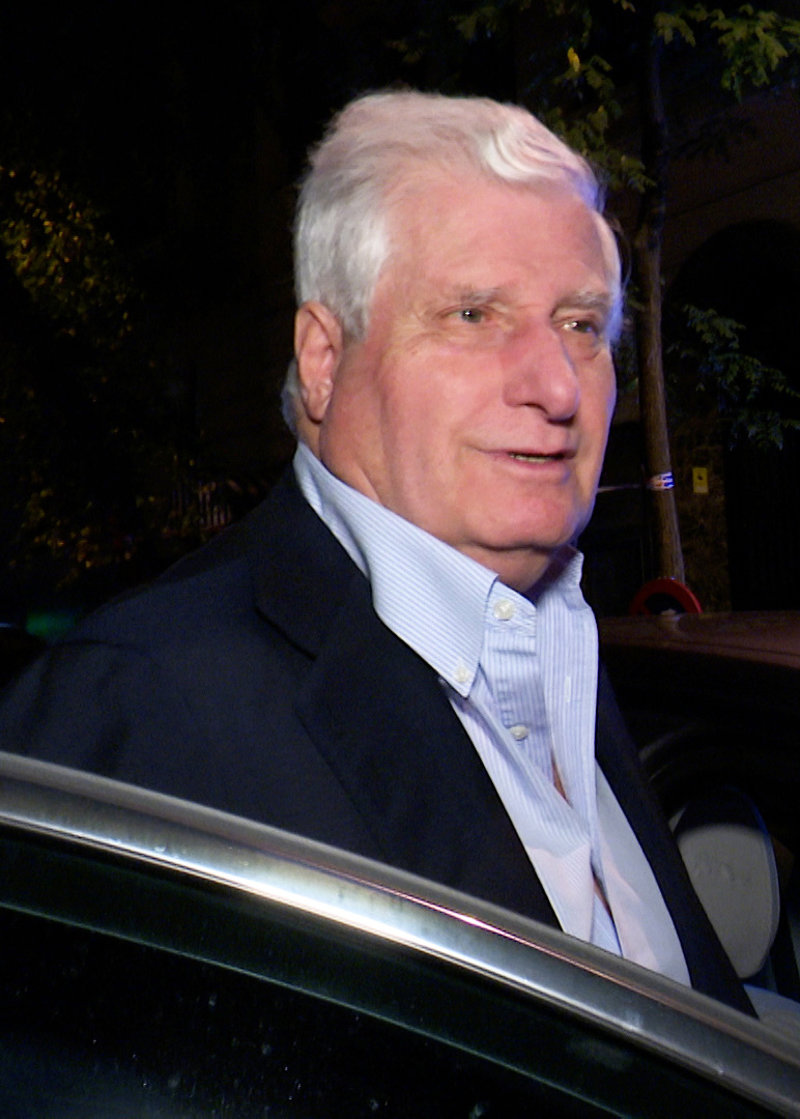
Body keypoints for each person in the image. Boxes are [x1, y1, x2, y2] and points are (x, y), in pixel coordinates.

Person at [0, 89, 749, 1012]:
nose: (558, 387)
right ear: (323, 359)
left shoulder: (552, 646)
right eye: (472, 314)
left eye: (581, 325)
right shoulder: (138, 703)